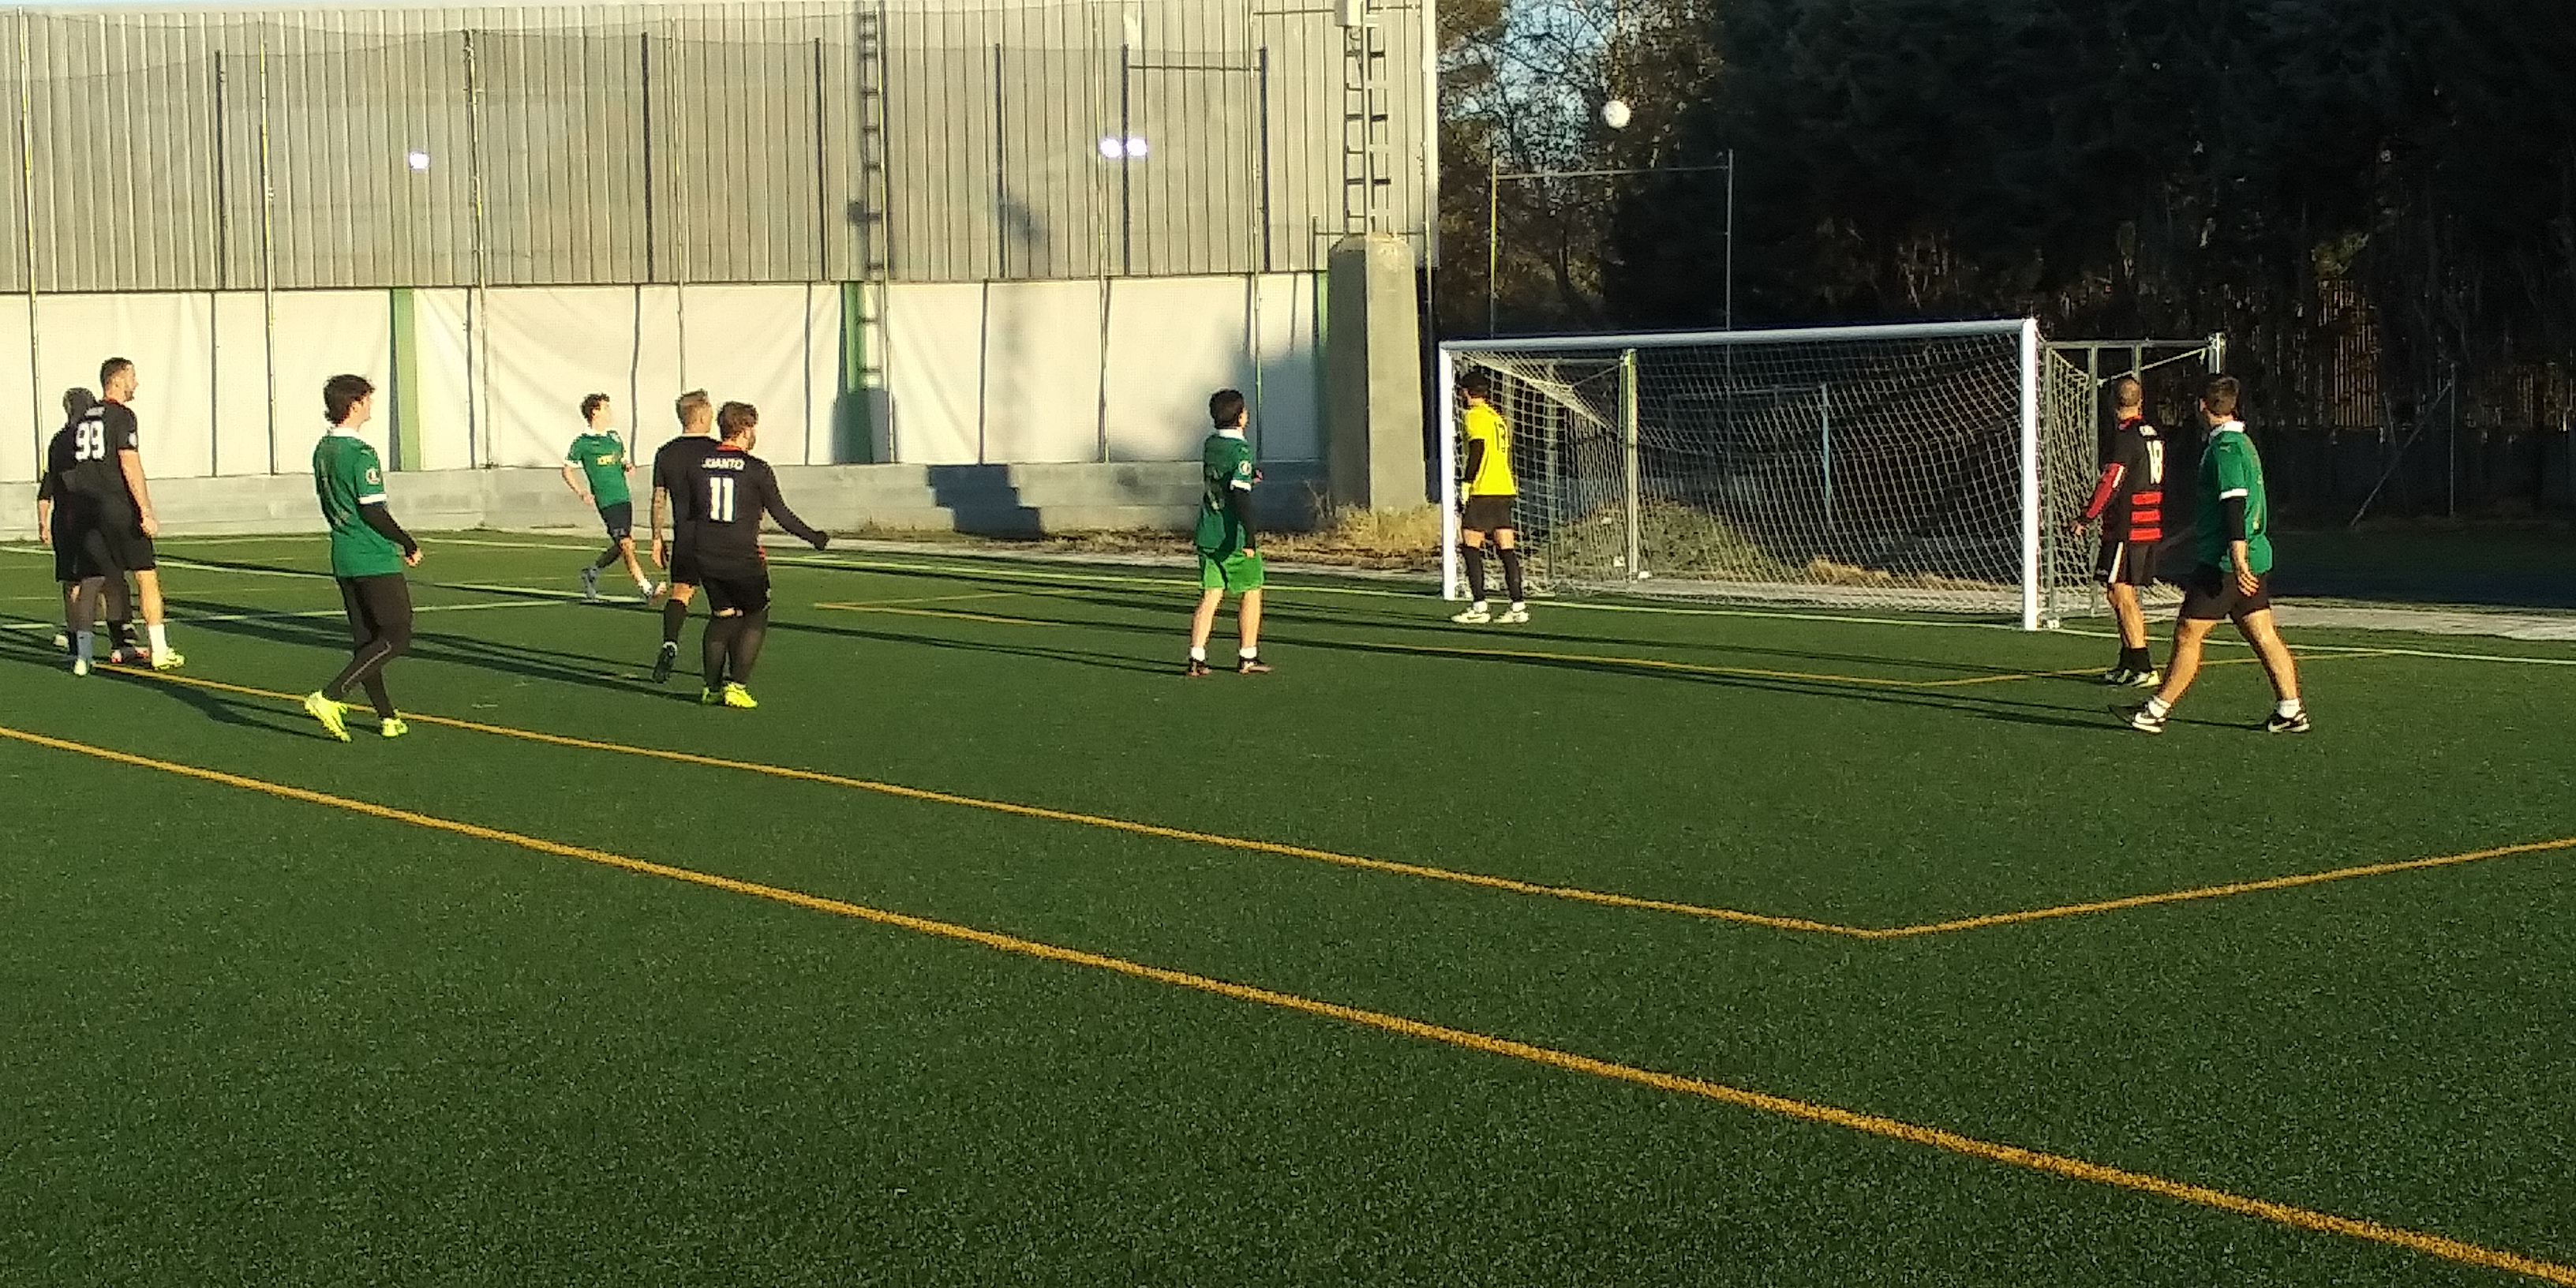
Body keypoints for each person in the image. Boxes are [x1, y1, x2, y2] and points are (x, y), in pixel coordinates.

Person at [2115, 376, 2308, 735]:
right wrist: (2183, 539)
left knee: (2188, 633)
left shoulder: (2226, 448)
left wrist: (2237, 558)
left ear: (2202, 406)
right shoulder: (2243, 442)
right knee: (2262, 632)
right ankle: (2291, 709)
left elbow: (2235, 506)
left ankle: (2155, 710)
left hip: (2227, 564)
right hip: (2249, 557)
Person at [674, 401, 828, 708]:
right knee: (756, 614)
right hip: (742, 556)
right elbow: (781, 514)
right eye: (753, 427)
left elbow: (688, 513)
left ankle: (711, 688)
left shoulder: (698, 466)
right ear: (744, 429)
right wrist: (814, 537)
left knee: (722, 616)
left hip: (706, 554)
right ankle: (737, 686)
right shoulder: (757, 469)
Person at [301, 375, 423, 743]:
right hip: (372, 556)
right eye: (367, 400)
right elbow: (372, 510)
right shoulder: (360, 453)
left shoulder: (323, 449)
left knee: (367, 641)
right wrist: (407, 542)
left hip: (343, 554)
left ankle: (388, 717)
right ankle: (330, 696)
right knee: (397, 636)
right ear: (354, 404)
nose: (371, 406)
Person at [78, 358, 181, 669]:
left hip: (88, 510)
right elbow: (129, 463)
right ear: (118, 380)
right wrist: (145, 510)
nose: (136, 383)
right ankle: (160, 649)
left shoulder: (85, 418)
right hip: (118, 507)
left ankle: (89, 653)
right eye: (132, 376)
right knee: (145, 576)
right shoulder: (122, 415)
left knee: (101, 579)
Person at [2069, 376, 2168, 686]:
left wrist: (2086, 517)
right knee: (2117, 592)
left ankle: (2143, 665)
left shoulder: (2125, 437)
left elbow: (2112, 480)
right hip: (2147, 521)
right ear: (2141, 401)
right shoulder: (2152, 433)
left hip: (2128, 526)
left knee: (2122, 593)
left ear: (2113, 404)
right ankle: (2129, 663)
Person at [1186, 388, 1268, 676]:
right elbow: (1240, 496)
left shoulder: (1210, 444)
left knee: (1211, 595)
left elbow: (1224, 477)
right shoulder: (1241, 450)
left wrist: (1248, 475)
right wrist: (1250, 535)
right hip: (1231, 535)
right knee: (1251, 591)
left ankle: (1196, 657)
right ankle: (1248, 655)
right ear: (1241, 417)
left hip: (1207, 531)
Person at [648, 390, 721, 683]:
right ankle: (721, 670)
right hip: (718, 536)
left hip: (685, 536)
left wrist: (656, 538)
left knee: (680, 592)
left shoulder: (666, 453)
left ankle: (670, 643)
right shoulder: (719, 451)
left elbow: (658, 499)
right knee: (725, 605)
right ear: (702, 416)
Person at [562, 393, 659, 603]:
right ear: (594, 412)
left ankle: (592, 571)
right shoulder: (582, 443)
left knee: (623, 544)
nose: (610, 412)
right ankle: (647, 588)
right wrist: (581, 491)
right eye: (605, 407)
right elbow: (567, 470)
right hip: (607, 501)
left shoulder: (614, 437)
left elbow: (621, 460)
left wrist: (627, 465)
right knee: (626, 544)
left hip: (623, 498)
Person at [1450, 369, 1529, 624]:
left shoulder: (1474, 416)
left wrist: (1466, 483)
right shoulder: (1497, 417)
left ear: (1466, 393)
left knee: (1470, 545)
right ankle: (1518, 606)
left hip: (1484, 489)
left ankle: (1479, 607)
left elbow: (1478, 448)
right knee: (1506, 548)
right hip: (1504, 488)